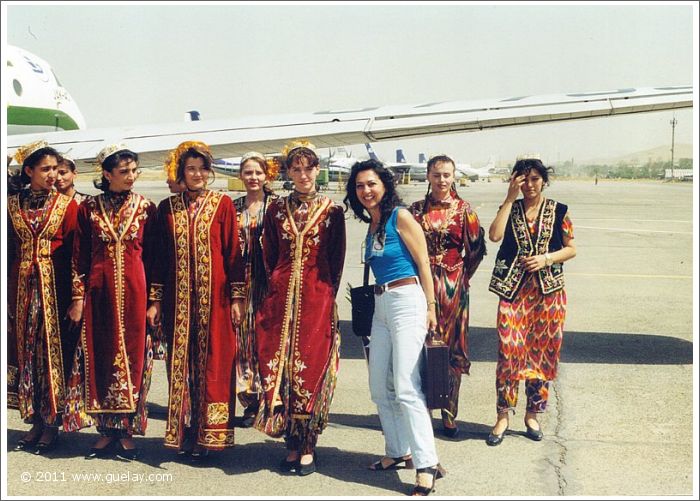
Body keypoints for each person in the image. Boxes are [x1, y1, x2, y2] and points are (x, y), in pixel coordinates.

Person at [344, 159, 445, 496]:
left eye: (371, 183)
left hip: (407, 299)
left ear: (384, 184)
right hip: (381, 304)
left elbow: (424, 265)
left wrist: (431, 308)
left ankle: (426, 462)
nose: (366, 191)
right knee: (378, 387)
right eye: (359, 186)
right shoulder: (372, 223)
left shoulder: (401, 216)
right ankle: (397, 450)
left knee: (405, 386)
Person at [146, 141, 243, 458]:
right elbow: (158, 259)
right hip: (179, 305)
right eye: (191, 168)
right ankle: (185, 432)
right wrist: (156, 300)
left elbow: (233, 254)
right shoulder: (167, 209)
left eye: (202, 168)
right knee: (182, 367)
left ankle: (210, 436)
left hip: (215, 303)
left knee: (214, 364)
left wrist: (238, 297)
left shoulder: (223, 204)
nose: (197, 174)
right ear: (181, 173)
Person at [255, 141, 345, 476]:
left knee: (309, 367)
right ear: (288, 173)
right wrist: (278, 287)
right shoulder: (276, 209)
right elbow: (269, 253)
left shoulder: (332, 211)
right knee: (283, 369)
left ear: (317, 170)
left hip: (316, 299)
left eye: (309, 168)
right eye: (297, 169)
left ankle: (308, 443)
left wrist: (325, 297)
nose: (303, 175)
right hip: (280, 300)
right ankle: (289, 443)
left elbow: (335, 259)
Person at [63, 144, 158, 460]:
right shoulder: (88, 209)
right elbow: (79, 256)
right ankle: (105, 432)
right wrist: (78, 297)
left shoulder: (146, 208)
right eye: (124, 172)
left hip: (135, 293)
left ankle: (127, 431)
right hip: (99, 294)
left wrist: (154, 302)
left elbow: (156, 260)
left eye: (134, 171)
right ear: (107, 174)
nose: (131, 177)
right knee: (100, 358)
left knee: (134, 358)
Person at [486, 157, 576, 446]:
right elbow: (495, 235)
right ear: (515, 181)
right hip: (513, 291)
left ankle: (532, 414)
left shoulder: (558, 210)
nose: (530, 185)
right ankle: (502, 415)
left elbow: (571, 248)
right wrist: (509, 198)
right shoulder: (510, 208)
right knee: (509, 350)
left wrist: (546, 258)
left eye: (535, 178)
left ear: (544, 181)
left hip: (548, 293)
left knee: (542, 353)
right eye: (523, 179)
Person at [7, 140, 79, 454]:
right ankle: (34, 419)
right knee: (26, 354)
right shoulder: (12, 205)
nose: (52, 175)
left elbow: (78, 253)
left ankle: (52, 423)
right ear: (29, 171)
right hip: (21, 287)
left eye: (55, 169)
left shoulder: (66, 205)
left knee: (52, 354)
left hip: (55, 289)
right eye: (45, 169)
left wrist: (78, 296)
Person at [409, 155, 486, 438]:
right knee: (420, 346)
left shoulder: (466, 211)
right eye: (437, 174)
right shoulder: (415, 210)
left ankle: (449, 411)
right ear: (428, 176)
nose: (442, 180)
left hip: (453, 288)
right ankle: (422, 409)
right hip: (419, 286)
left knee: (451, 348)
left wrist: (460, 276)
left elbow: (476, 250)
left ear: (454, 177)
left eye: (447, 175)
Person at [231, 152, 279, 428]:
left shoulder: (276, 206)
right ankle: (249, 400)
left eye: (258, 173)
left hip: (269, 281)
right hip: (241, 280)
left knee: (266, 339)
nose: (253, 178)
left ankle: (268, 397)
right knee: (243, 341)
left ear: (267, 176)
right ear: (241, 175)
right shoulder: (233, 206)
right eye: (248, 172)